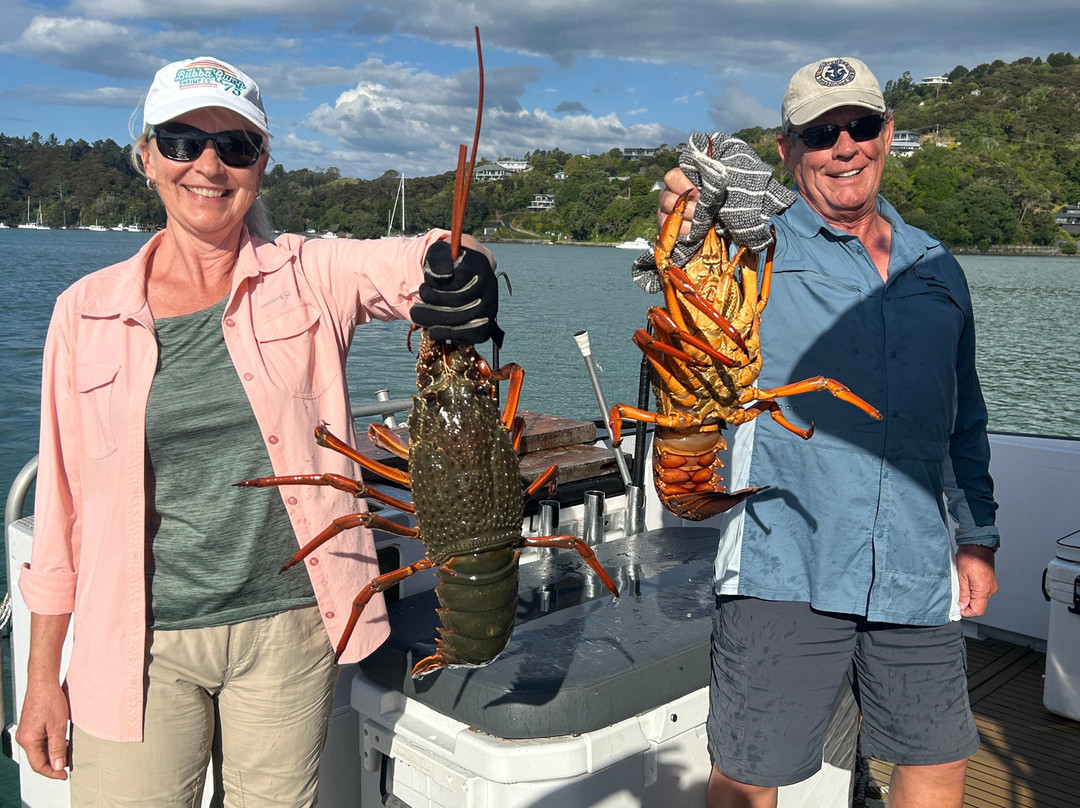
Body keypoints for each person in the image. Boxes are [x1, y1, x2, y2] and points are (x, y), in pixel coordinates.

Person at [15, 55, 499, 807]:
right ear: (146, 156)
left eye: (236, 147)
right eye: (182, 142)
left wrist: (464, 268)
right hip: (137, 642)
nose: (208, 165)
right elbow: (61, 513)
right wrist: (42, 675)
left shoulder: (309, 273)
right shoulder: (84, 312)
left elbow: (419, 262)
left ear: (261, 164)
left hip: (289, 631)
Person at [652, 57, 999, 808]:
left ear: (888, 134)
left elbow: (963, 417)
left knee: (940, 761)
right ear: (788, 150)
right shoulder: (754, 246)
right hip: (786, 564)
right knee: (750, 773)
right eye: (819, 134)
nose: (844, 146)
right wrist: (687, 197)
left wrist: (976, 539)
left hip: (914, 562)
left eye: (861, 126)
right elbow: (680, 255)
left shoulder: (937, 265)